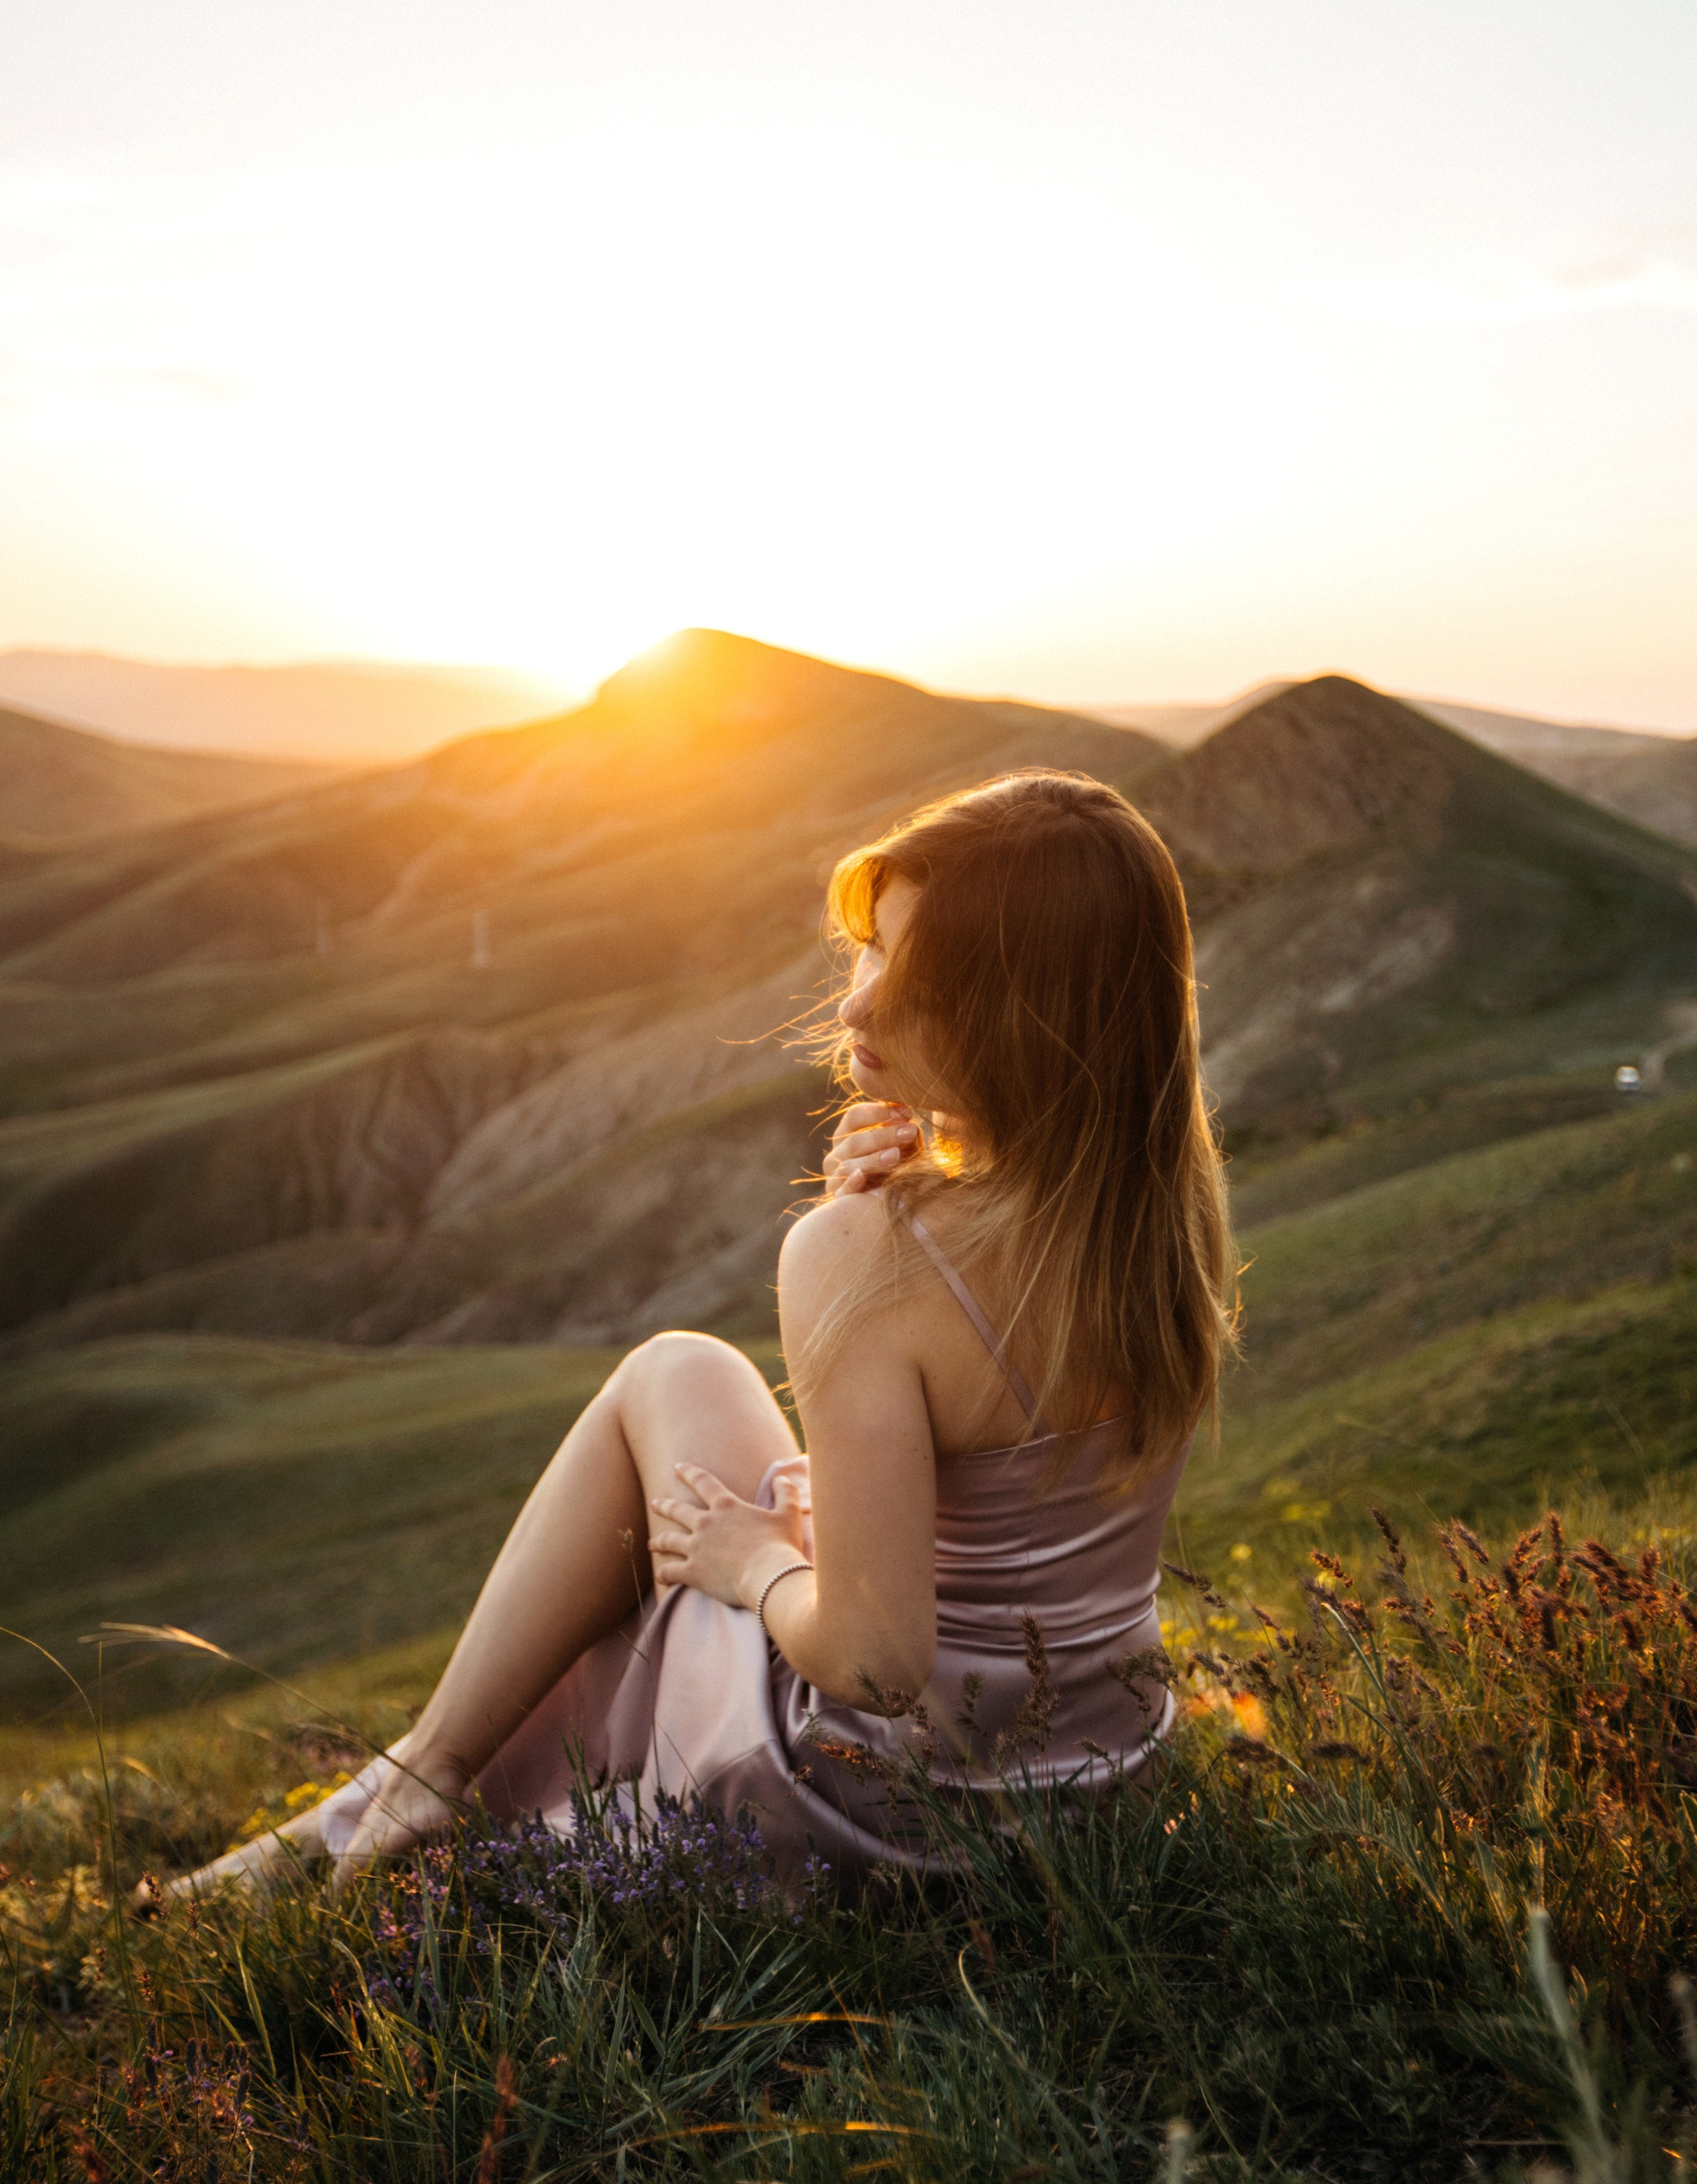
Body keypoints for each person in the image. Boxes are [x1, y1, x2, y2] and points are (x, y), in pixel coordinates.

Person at [178, 770, 1236, 1897]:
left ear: (1031, 1023)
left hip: (884, 1809)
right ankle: (350, 1818)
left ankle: (420, 1783)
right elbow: (1009, 1483)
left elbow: (879, 1664)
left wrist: (757, 1564)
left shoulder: (868, 1254)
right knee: (693, 1419)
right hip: (1103, 1780)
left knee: (669, 1390)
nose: (855, 1007)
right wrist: (919, 1200)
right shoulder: (1166, 1224)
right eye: (872, 950)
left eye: (917, 983)